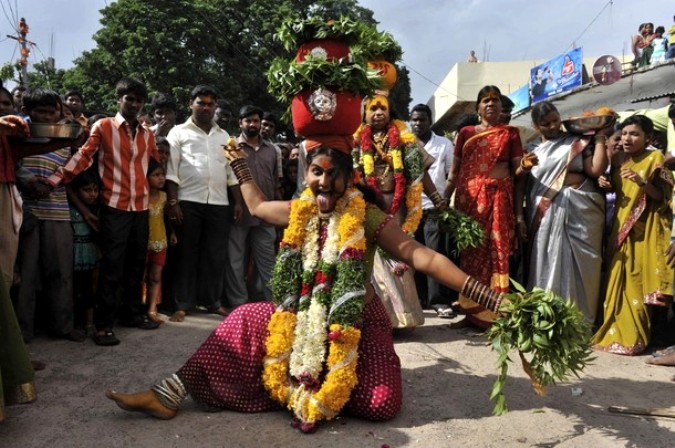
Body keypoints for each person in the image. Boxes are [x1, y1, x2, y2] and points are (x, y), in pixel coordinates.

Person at [105, 140, 505, 431]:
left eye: (334, 174)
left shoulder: (364, 216)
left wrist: (486, 294)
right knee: (244, 318)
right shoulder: (300, 210)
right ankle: (168, 394)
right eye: (317, 172)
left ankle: (324, 390)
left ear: (348, 179)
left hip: (357, 323)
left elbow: (422, 255)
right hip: (300, 318)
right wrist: (241, 167)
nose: (325, 182)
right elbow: (259, 207)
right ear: (306, 176)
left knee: (382, 405)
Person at [47, 77, 162, 346]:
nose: (133, 104)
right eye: (128, 98)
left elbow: (154, 163)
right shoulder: (104, 126)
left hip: (142, 206)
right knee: (112, 267)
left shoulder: (147, 134)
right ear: (118, 100)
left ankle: (132, 314)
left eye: (138, 100)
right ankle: (103, 325)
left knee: (136, 264)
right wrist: (54, 180)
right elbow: (84, 157)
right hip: (114, 206)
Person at [446, 85, 535, 328]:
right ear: (477, 108)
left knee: (497, 253)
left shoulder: (511, 134)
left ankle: (496, 315)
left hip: (498, 200)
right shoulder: (466, 133)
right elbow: (455, 171)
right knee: (472, 256)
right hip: (470, 202)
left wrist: (525, 166)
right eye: (485, 101)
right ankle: (470, 313)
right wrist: (444, 199)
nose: (490, 105)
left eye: (495, 100)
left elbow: (516, 172)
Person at [592, 115, 674, 355]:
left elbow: (662, 197)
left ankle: (635, 339)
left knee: (636, 283)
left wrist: (642, 182)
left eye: (635, 134)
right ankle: (612, 332)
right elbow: (619, 190)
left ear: (648, 138)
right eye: (625, 133)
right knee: (616, 282)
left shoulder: (655, 159)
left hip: (643, 233)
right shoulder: (618, 158)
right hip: (620, 228)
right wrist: (605, 183)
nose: (627, 138)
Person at [523, 101, 608, 323]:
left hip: (580, 209)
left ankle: (578, 322)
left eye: (555, 120)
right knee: (547, 259)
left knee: (583, 264)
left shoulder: (577, 141)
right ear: (535, 125)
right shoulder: (532, 150)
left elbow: (595, 170)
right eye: (545, 124)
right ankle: (547, 318)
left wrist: (599, 138)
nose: (552, 126)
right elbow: (525, 184)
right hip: (545, 212)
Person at [354, 94, 434, 329]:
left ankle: (403, 317)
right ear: (364, 114)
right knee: (374, 259)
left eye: (383, 108)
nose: (378, 113)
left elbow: (421, 174)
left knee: (399, 253)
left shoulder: (405, 138)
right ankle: (380, 317)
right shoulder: (356, 141)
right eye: (372, 109)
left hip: (397, 207)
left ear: (391, 112)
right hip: (368, 206)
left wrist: (437, 198)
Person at [13, 89, 85, 343]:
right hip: (26, 211)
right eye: (40, 111)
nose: (46, 116)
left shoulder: (66, 136)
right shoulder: (17, 133)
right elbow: (12, 164)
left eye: (51, 111)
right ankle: (23, 332)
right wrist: (29, 180)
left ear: (59, 111)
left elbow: (73, 166)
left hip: (58, 211)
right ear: (27, 110)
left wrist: (51, 183)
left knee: (61, 273)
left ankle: (63, 326)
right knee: (26, 277)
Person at [165, 85, 241, 322]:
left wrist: (237, 202)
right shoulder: (178, 133)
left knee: (215, 254)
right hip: (188, 200)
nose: (206, 107)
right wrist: (173, 201)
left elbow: (232, 173)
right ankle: (182, 303)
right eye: (201, 103)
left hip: (219, 202)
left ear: (215, 107)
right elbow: (171, 170)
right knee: (186, 253)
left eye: (210, 104)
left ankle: (212, 302)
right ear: (191, 104)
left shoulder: (225, 137)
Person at [224, 105, 280, 306]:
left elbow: (275, 182)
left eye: (256, 120)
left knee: (268, 262)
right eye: (248, 121)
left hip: (266, 214)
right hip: (240, 213)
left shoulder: (273, 150)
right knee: (235, 260)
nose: (253, 124)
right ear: (240, 123)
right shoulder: (231, 147)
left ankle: (274, 304)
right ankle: (238, 303)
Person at [410, 103, 455, 316]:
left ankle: (438, 300)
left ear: (430, 121)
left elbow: (451, 175)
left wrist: (443, 201)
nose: (418, 123)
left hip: (433, 207)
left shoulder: (444, 144)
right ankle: (419, 299)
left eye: (422, 119)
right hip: (410, 209)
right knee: (412, 254)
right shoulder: (405, 143)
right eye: (414, 119)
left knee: (434, 252)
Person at [68, 168, 100, 335]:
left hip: (87, 255)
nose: (92, 194)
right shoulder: (69, 210)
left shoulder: (97, 211)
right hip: (72, 254)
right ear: (76, 191)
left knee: (87, 289)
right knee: (72, 290)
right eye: (87, 190)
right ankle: (73, 324)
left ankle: (89, 324)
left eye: (95, 190)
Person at [145, 159, 176, 324]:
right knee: (142, 276)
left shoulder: (164, 197)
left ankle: (152, 308)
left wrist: (172, 233)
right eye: (156, 175)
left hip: (160, 241)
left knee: (156, 277)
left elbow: (167, 218)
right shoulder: (142, 197)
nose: (161, 178)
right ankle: (140, 307)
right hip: (143, 242)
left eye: (162, 174)